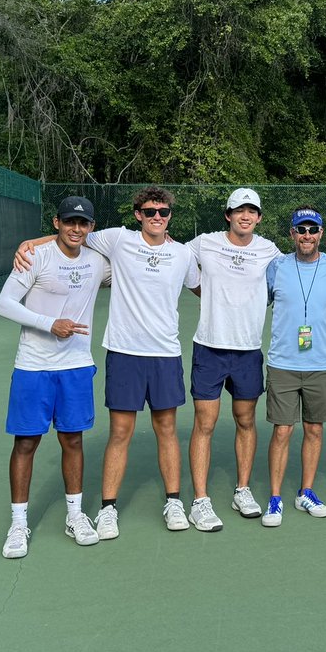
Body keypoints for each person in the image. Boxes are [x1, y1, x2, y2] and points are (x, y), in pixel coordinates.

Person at [14, 188, 201, 538]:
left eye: (163, 211)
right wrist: (30, 242)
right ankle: (108, 508)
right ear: (137, 215)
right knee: (120, 432)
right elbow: (72, 234)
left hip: (165, 354)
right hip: (124, 352)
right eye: (149, 211)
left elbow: (202, 288)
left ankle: (174, 501)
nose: (157, 217)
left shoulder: (183, 254)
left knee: (167, 430)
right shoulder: (117, 240)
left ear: (170, 216)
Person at [0, 196, 108, 559]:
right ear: (57, 222)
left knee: (72, 441)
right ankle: (18, 523)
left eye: (84, 223)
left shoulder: (97, 262)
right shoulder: (34, 257)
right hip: (33, 366)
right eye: (70, 221)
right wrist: (49, 324)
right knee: (26, 444)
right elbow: (4, 303)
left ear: (91, 227)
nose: (77, 228)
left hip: (75, 366)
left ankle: (75, 516)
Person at [184, 188, 282, 531]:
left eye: (251, 211)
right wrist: (203, 291)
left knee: (245, 420)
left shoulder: (269, 250)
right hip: (209, 348)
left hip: (248, 351)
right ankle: (200, 500)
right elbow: (172, 259)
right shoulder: (204, 243)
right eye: (239, 210)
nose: (245, 216)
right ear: (228, 215)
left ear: (258, 217)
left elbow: (294, 272)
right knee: (205, 423)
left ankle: (242, 490)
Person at [260, 207, 326, 527]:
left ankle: (306, 491)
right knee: (282, 430)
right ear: (292, 234)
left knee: (314, 429)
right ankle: (276, 497)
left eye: (313, 230)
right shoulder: (276, 267)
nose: (307, 235)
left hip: (321, 364)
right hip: (282, 363)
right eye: (301, 230)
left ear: (321, 233)